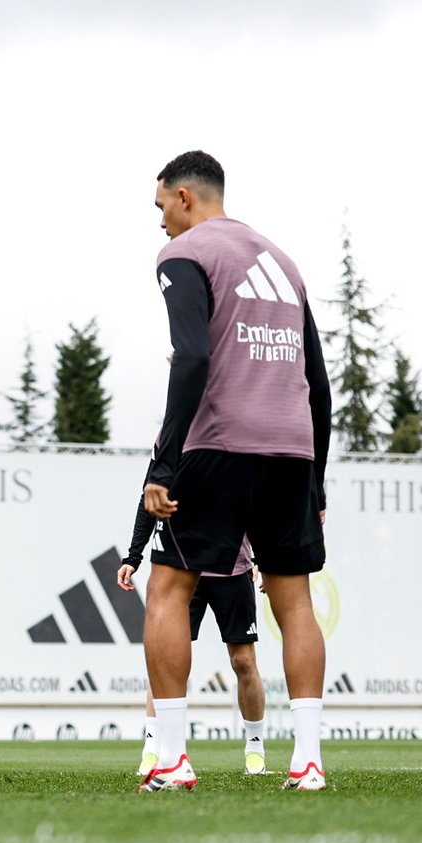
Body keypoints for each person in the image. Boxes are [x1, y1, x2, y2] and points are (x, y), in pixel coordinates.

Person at [140, 150, 332, 792]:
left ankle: (170, 758)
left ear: (185, 197)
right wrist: (318, 478)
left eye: (161, 205)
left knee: (168, 590)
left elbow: (190, 358)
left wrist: (165, 465)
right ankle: (308, 762)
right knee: (295, 603)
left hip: (219, 447)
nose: (160, 221)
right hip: (292, 453)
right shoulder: (284, 260)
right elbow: (319, 383)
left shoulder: (184, 254)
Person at [117, 500, 266, 776]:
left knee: (244, 661)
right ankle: (152, 749)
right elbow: (149, 500)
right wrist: (133, 557)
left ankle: (255, 749)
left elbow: (254, 501)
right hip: (183, 569)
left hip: (233, 569)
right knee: (168, 660)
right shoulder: (169, 456)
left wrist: (263, 559)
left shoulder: (235, 457)